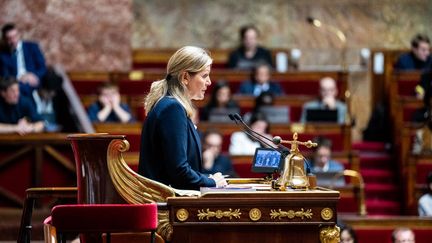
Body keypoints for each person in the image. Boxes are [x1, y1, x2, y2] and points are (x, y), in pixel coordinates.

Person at [138, 46, 227, 190]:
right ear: (185, 77)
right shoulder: (172, 109)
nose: (209, 82)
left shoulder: (170, 105)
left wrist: (206, 178)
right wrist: (212, 182)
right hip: (167, 205)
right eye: (204, 76)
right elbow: (178, 171)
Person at [0, 23, 47, 96]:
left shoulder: (32, 47)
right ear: (5, 40)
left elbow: (42, 67)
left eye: (15, 36)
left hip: (34, 80)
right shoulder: (3, 55)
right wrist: (19, 79)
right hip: (17, 85)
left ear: (19, 35)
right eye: (9, 39)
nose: (13, 41)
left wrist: (33, 76)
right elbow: (5, 76)